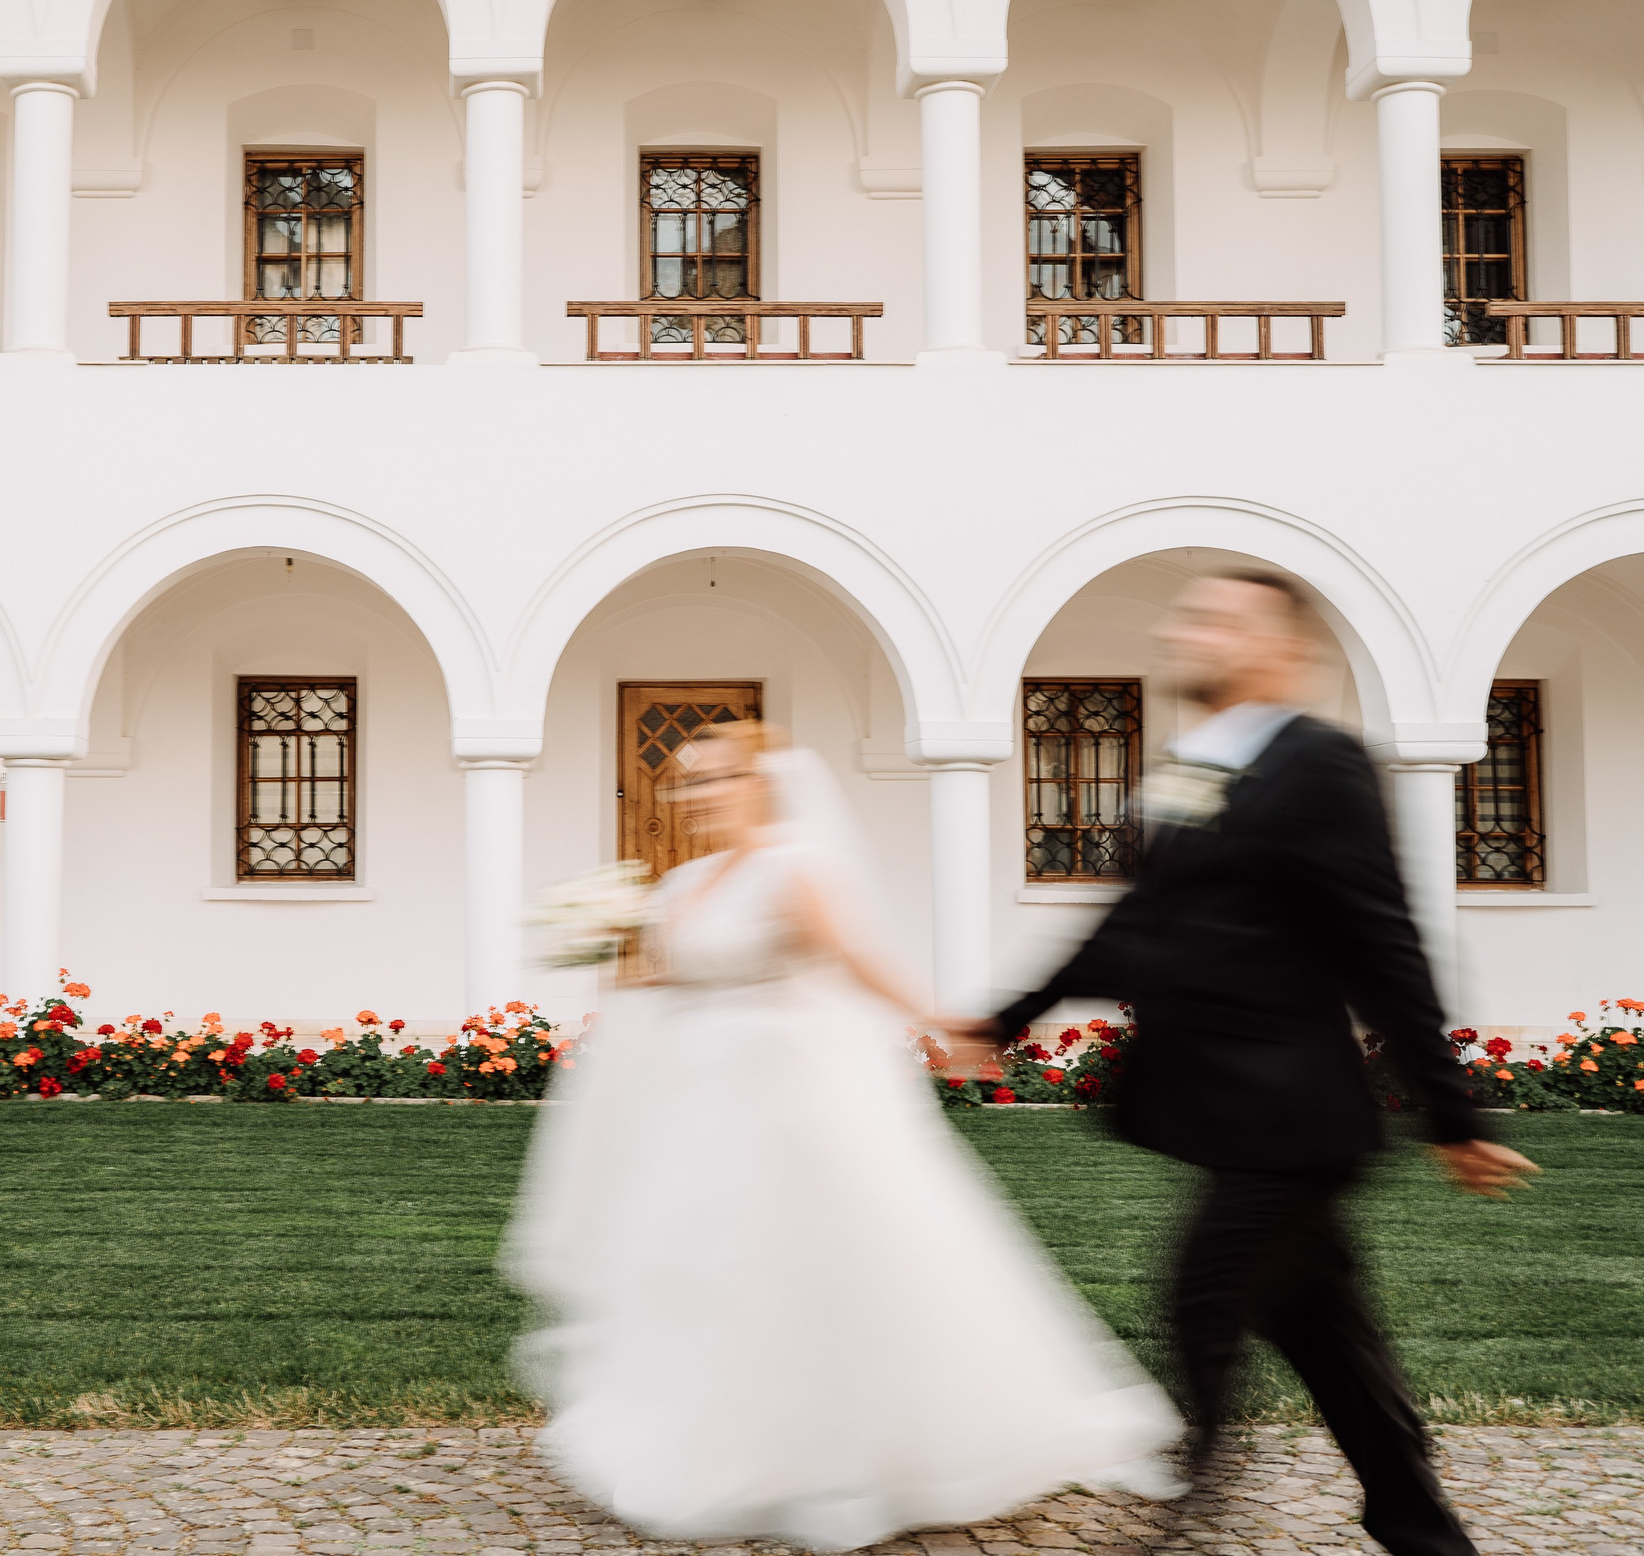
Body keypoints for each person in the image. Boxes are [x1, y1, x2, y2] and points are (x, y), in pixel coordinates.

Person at [503, 720, 1181, 1553]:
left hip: (789, 1100)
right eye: (686, 781)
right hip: (703, 1104)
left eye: (713, 777)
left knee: (818, 1262)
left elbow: (854, 960)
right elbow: (670, 976)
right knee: (704, 1265)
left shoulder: (795, 867)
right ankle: (727, 1439)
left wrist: (946, 1023)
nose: (694, 795)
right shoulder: (684, 882)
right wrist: (600, 937)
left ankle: (858, 1451)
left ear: (759, 781)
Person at [972, 571, 1538, 1556]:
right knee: (1323, 1329)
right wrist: (1007, 1016)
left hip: (1294, 1114)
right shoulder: (1190, 766)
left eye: (1218, 619)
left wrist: (1451, 1113)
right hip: (1226, 1106)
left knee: (1205, 1295)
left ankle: (1187, 1504)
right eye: (1188, 615)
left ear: (1285, 649)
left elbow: (1384, 944)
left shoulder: (1322, 764)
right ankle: (1417, 1525)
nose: (1186, 630)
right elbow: (1133, 924)